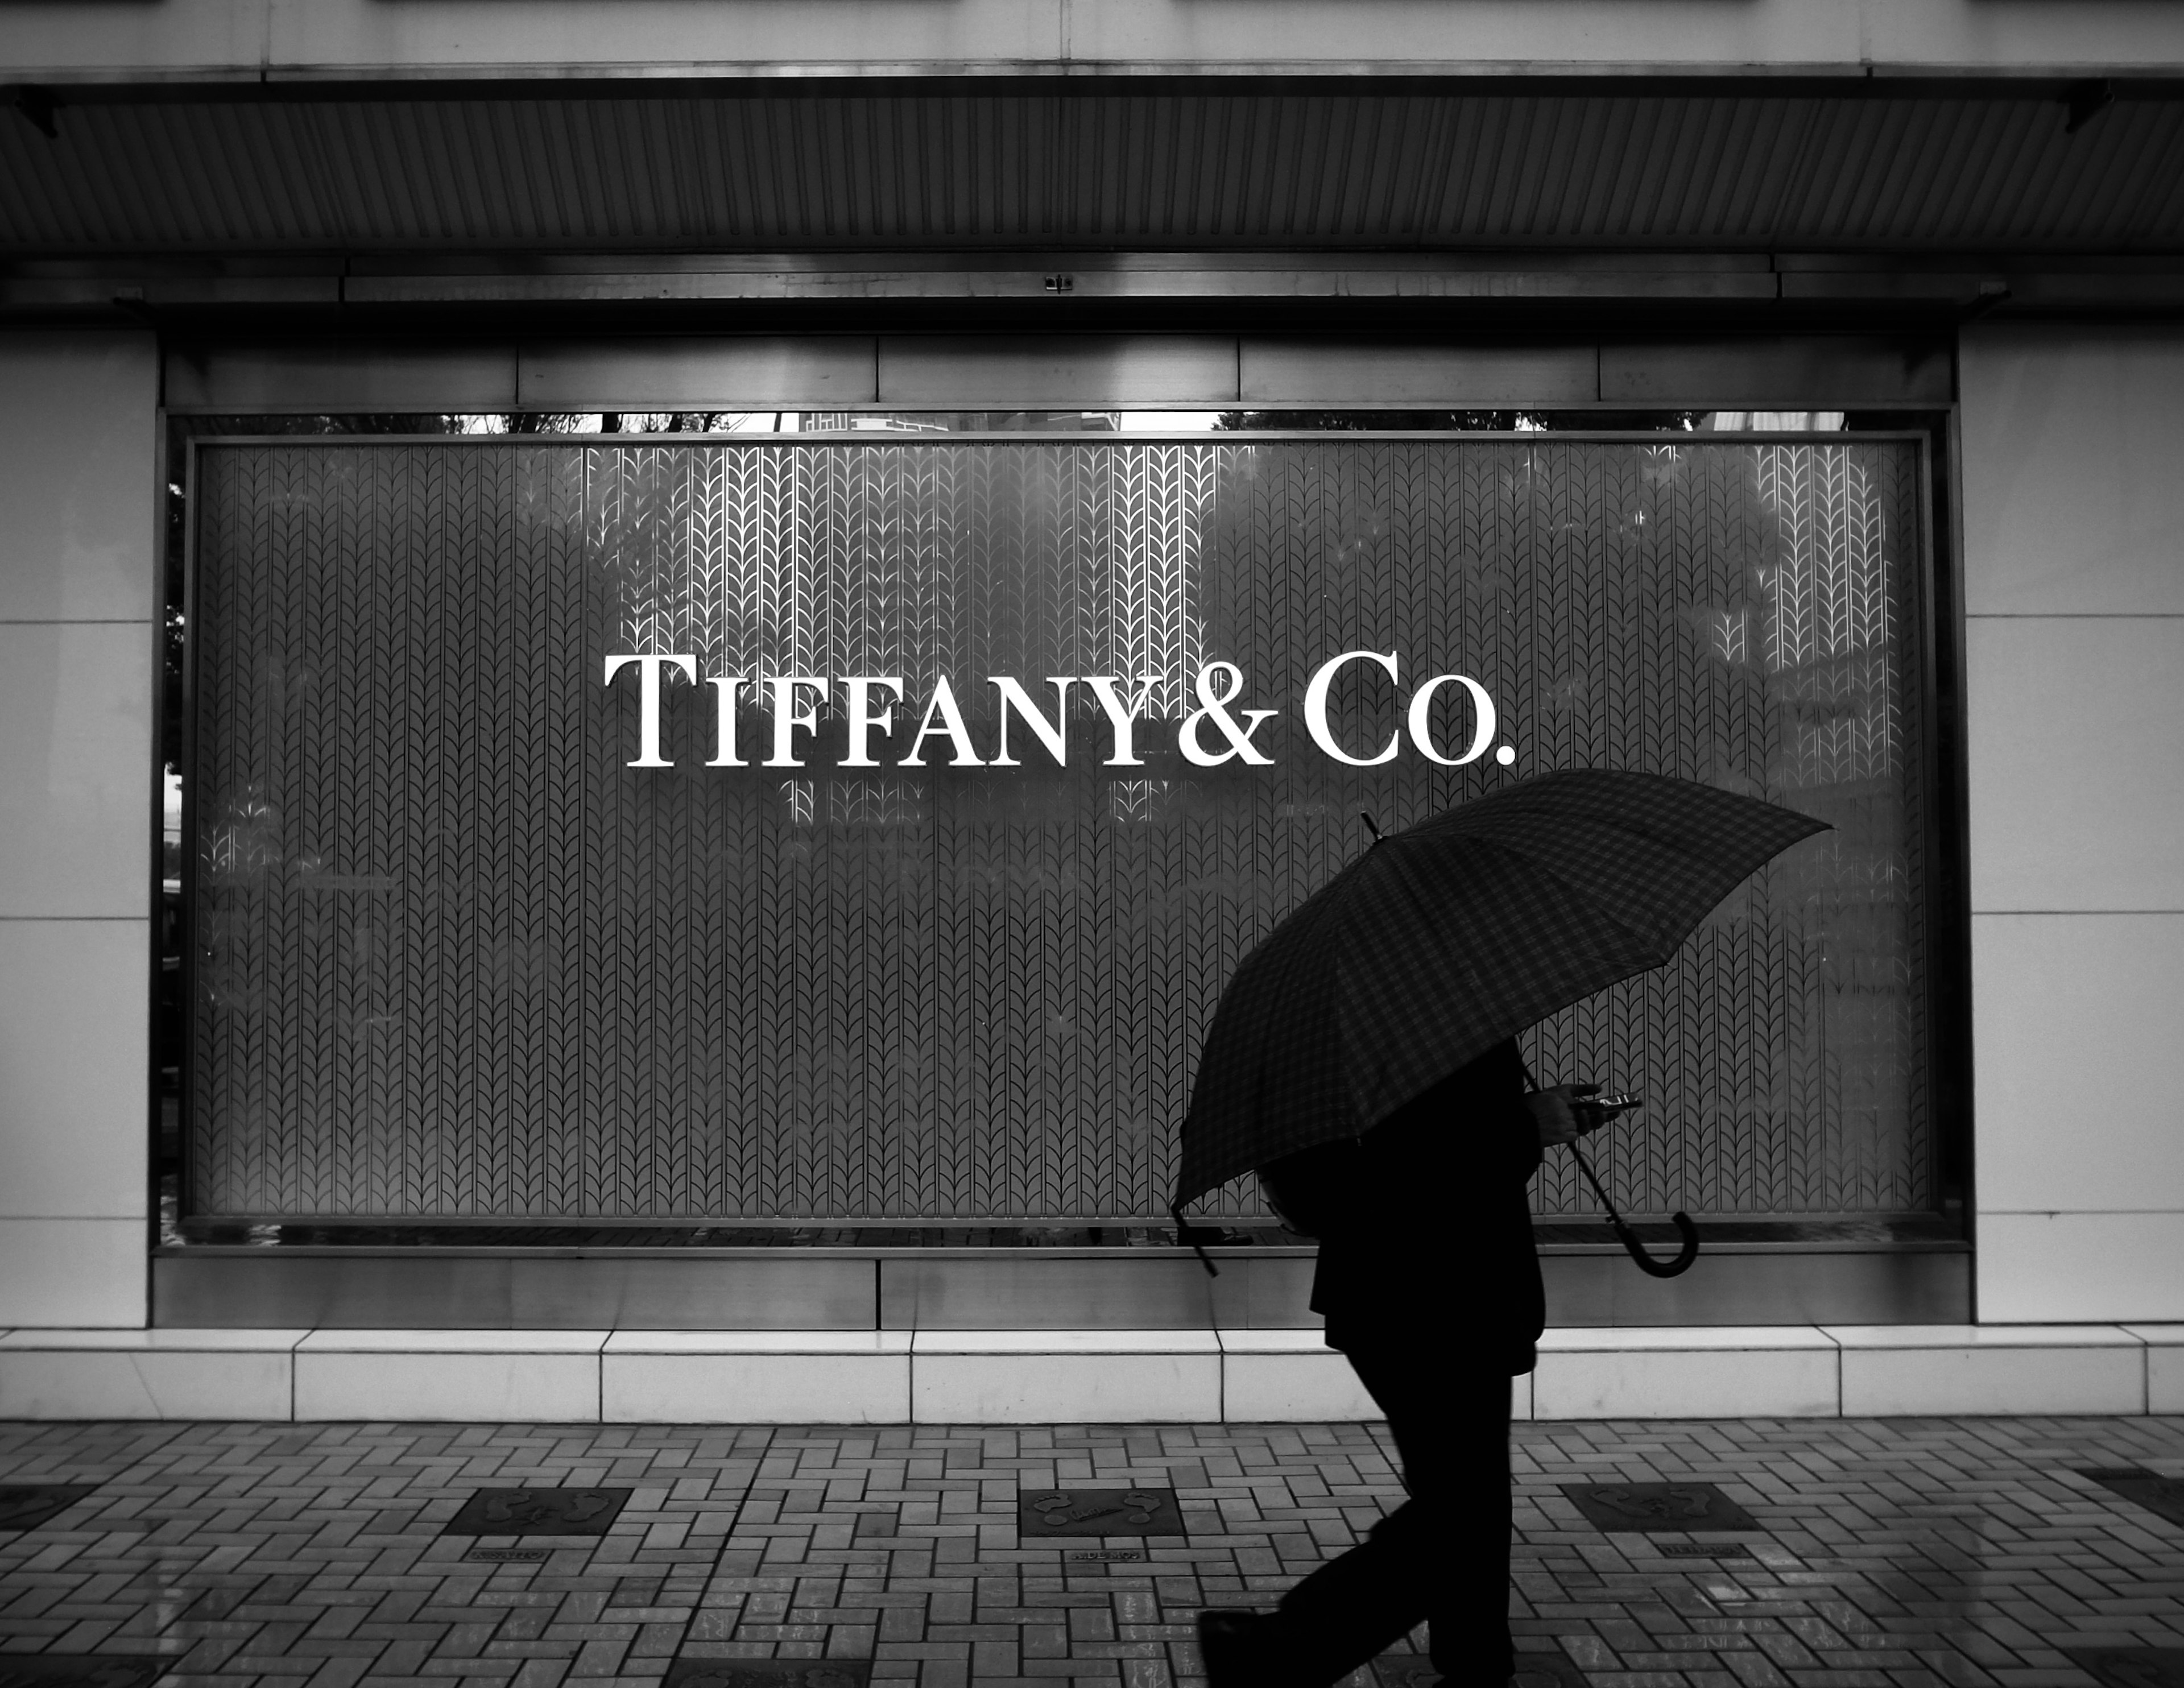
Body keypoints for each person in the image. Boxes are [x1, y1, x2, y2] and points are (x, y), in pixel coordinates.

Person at [1195, 1039, 1602, 1688]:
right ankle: (1270, 1652)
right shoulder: (1398, 1021)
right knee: (1462, 1516)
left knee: (1468, 1500)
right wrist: (1526, 1123)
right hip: (1425, 1298)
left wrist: (1530, 1118)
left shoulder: (1436, 1009)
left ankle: (1476, 1670)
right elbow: (1412, 1162)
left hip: (1436, 1295)